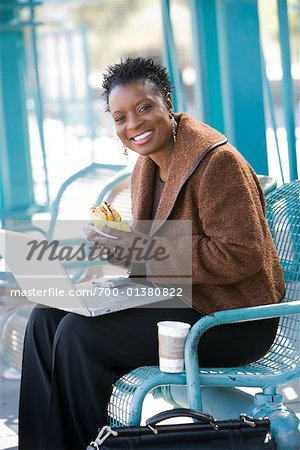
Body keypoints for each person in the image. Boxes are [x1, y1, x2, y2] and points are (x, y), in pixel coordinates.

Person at [19, 57, 285, 450]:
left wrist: (143, 248)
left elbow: (242, 254)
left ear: (168, 102)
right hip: (178, 300)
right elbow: (151, 253)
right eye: (120, 117)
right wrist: (116, 245)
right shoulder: (146, 165)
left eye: (144, 108)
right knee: (45, 318)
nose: (134, 125)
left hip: (231, 320)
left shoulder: (217, 163)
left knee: (79, 336)